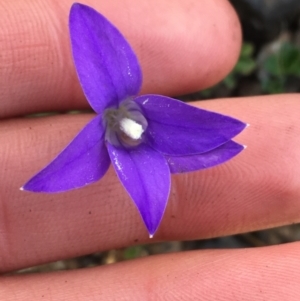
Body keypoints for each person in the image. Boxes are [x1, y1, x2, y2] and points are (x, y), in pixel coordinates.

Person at [0, 0, 299, 299]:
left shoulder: (140, 128)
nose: (131, 127)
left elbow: (212, 137)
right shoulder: (114, 97)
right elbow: (88, 30)